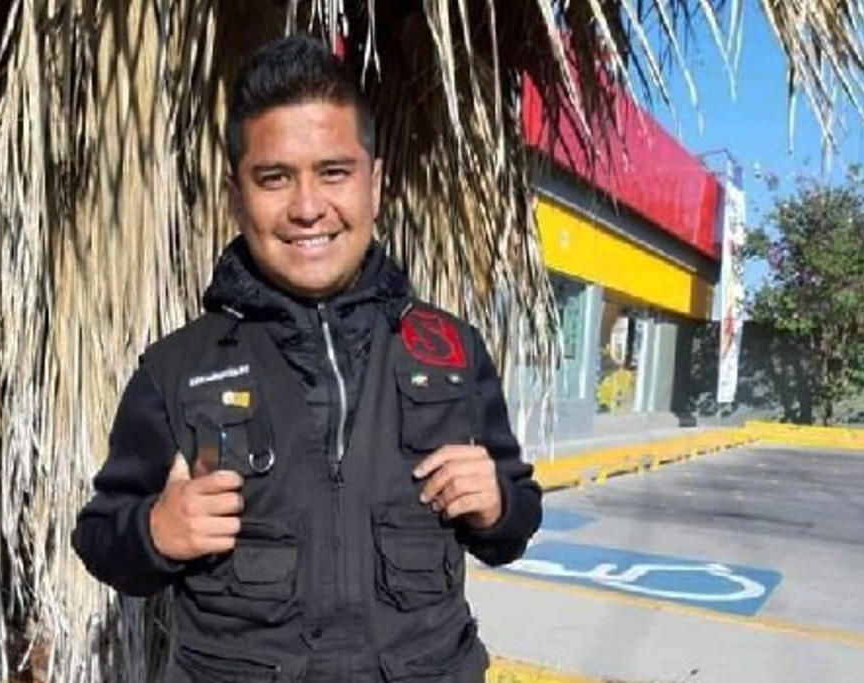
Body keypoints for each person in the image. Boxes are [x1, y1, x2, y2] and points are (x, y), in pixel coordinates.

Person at [72, 34, 543, 683]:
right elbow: (100, 539)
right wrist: (155, 531)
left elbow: (515, 520)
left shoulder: (453, 351)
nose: (307, 207)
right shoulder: (175, 369)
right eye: (274, 178)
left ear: (374, 184)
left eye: (334, 172)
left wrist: (498, 506)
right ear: (236, 197)